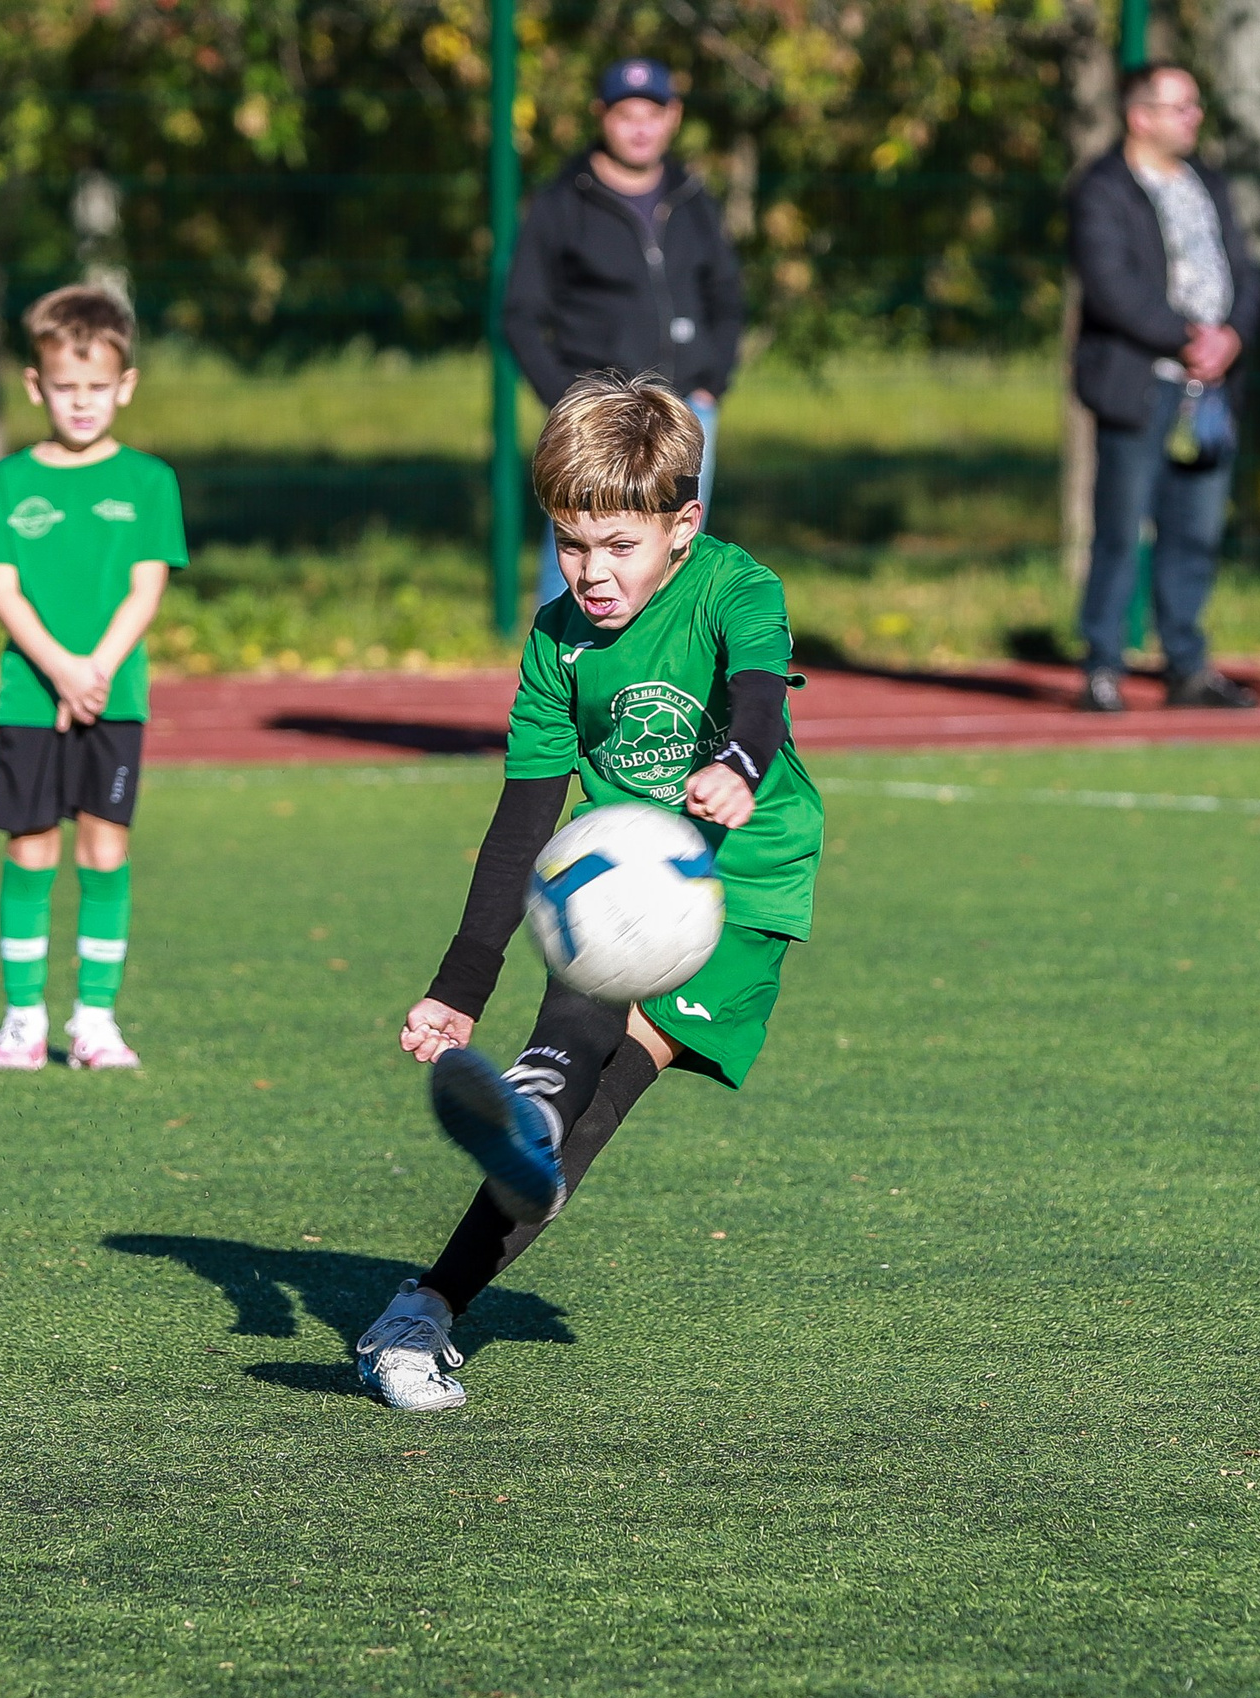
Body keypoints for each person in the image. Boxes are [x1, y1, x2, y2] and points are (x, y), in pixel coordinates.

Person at [354, 371, 822, 1412]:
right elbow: (523, 818)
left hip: (743, 883)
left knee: (595, 1111)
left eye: (619, 546)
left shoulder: (735, 585)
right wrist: (459, 984)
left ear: (681, 526)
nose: (592, 573)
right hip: (612, 871)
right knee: (567, 1064)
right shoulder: (557, 640)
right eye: (571, 544)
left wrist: (737, 767)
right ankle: (427, 1303)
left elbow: (757, 690)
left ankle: (440, 1281)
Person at [0, 286, 187, 1071]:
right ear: (36, 385)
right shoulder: (5, 483)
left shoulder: (149, 482)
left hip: (113, 696)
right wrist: (60, 669)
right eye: (66, 387)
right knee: (31, 849)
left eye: (98, 387)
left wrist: (94, 669)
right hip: (31, 696)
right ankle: (22, 1017)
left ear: (124, 385)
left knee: (103, 850)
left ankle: (94, 1019)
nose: (82, 402)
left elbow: (146, 586)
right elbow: (3, 588)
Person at [504, 57, 744, 605]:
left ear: (674, 117)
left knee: (675, 558)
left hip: (684, 411)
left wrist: (711, 382)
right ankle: (560, 671)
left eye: (652, 113)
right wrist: (569, 401)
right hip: (598, 414)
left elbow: (727, 298)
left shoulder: (693, 196)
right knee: (585, 543)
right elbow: (519, 313)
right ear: (601, 117)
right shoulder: (564, 200)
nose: (640, 127)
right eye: (625, 114)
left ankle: (662, 677)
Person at [1068, 61, 1260, 714]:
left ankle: (1186, 665)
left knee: (1197, 529)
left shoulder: (1206, 181)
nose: (1194, 118)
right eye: (1180, 107)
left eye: (1195, 105)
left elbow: (1245, 267)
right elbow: (1111, 283)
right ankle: (1103, 665)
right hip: (1139, 386)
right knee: (1121, 530)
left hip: (1209, 390)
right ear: (1140, 114)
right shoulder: (1103, 188)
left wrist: (1231, 334)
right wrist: (1186, 337)